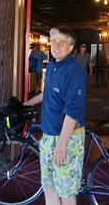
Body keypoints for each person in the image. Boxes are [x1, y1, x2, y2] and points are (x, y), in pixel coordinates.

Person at [24, 27, 87, 205]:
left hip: (67, 138)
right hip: (48, 134)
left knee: (66, 191)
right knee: (49, 187)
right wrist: (29, 103)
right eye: (53, 41)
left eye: (62, 42)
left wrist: (61, 144)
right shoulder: (52, 65)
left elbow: (73, 111)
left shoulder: (74, 71)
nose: (56, 46)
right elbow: (48, 93)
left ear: (70, 48)